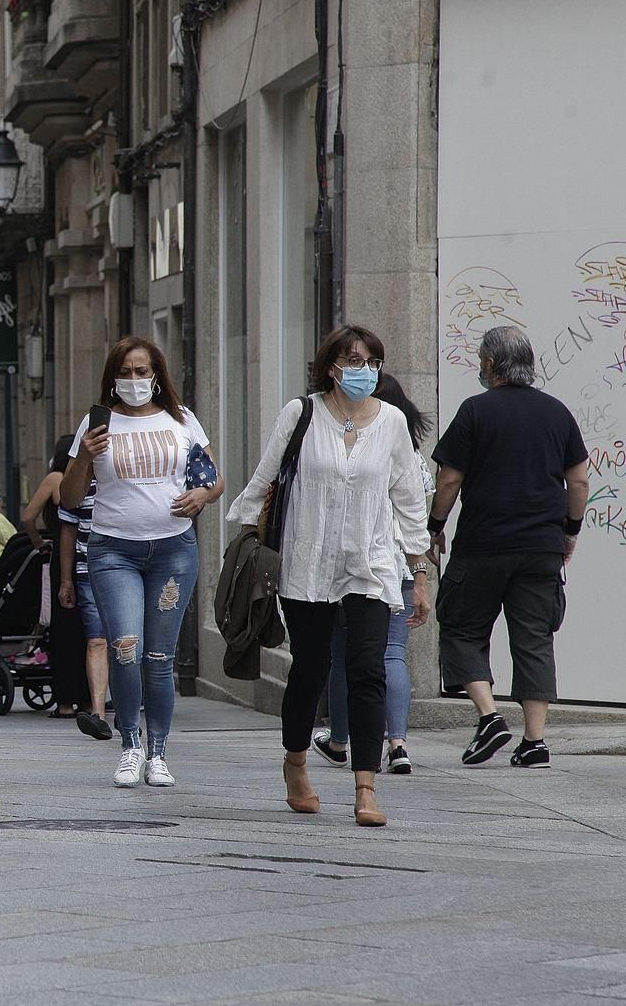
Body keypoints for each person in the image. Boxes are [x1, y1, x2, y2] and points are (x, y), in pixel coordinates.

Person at [227, 326, 430, 827]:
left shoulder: (392, 422)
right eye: (352, 360)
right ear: (331, 366)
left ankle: (366, 787)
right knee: (311, 667)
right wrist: (246, 538)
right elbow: (264, 478)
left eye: (371, 361)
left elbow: (408, 499)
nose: (363, 370)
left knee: (368, 669)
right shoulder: (301, 413)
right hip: (308, 562)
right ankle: (296, 762)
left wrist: (419, 572)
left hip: (371, 562)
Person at [60, 336, 222, 790]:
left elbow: (214, 478)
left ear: (156, 375)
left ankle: (159, 753)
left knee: (160, 657)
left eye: (142, 372)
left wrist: (202, 495)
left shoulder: (181, 419)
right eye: (125, 372)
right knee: (125, 648)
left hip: (173, 550)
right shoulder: (97, 423)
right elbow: (69, 498)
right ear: (113, 378)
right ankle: (130, 745)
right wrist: (84, 457)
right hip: (113, 551)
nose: (134, 380)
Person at [430, 325, 588, 769]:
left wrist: (434, 526)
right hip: (541, 546)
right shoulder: (557, 413)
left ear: (489, 363)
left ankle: (489, 717)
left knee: (461, 628)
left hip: (482, 544)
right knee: (534, 638)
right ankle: (534, 741)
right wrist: (569, 532)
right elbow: (578, 480)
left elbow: (449, 479)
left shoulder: (474, 411)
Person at [313, 373, 433, 775]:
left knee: (344, 654)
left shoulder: (351, 447)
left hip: (356, 564)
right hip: (401, 566)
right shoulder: (414, 458)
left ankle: (339, 740)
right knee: (391, 653)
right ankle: (398, 744)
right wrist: (420, 573)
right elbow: (417, 513)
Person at [25, 436, 112, 737]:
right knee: (90, 636)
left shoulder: (58, 478)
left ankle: (67, 701)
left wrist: (38, 542)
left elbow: (28, 516)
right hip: (78, 559)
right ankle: (90, 702)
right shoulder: (63, 481)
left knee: (70, 633)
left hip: (67, 559)